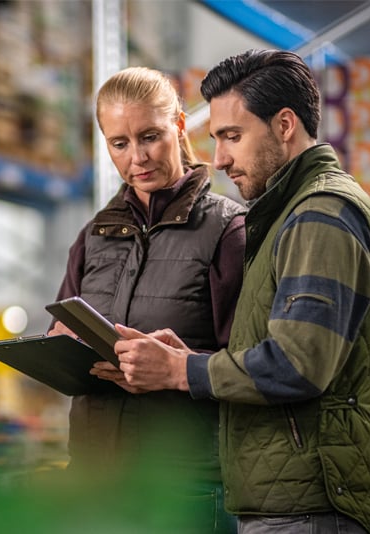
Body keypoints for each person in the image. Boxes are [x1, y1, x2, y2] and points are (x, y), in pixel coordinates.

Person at [96, 50, 370, 534]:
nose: (219, 158)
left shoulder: (320, 214)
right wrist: (187, 356)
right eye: (216, 138)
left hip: (308, 506)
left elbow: (298, 364)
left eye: (233, 137)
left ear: (284, 125)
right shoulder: (285, 213)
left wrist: (181, 370)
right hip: (284, 499)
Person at [48, 66, 246, 533]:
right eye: (119, 143)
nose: (137, 157)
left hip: (184, 484)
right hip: (94, 478)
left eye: (150, 136)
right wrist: (58, 347)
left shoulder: (227, 229)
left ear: (179, 126)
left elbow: (251, 367)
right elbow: (64, 328)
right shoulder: (94, 235)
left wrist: (176, 371)